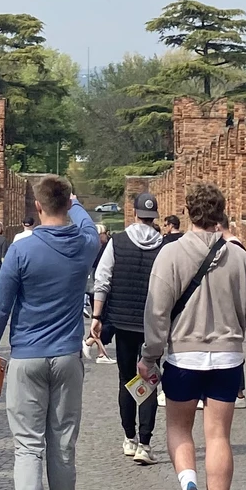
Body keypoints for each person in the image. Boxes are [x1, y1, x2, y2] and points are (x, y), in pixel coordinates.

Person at [0, 175, 97, 490]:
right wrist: (76, 203)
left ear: (37, 207)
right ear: (68, 204)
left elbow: (0, 309)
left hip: (27, 356)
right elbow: (88, 224)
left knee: (28, 444)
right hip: (67, 357)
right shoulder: (85, 244)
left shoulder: (21, 250)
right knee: (62, 442)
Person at [138, 181, 246, 490]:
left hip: (184, 355)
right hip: (228, 356)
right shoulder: (238, 256)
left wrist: (149, 355)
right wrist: (234, 321)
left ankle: (189, 486)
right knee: (219, 436)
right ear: (222, 213)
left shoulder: (171, 254)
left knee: (179, 429)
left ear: (188, 212)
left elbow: (157, 312)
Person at [90, 192, 165, 462]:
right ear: (154, 216)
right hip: (152, 323)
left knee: (126, 379)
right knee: (148, 378)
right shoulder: (164, 247)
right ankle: (145, 443)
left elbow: (102, 280)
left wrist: (97, 317)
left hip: (122, 321)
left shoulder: (117, 242)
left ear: (134, 213)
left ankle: (129, 438)